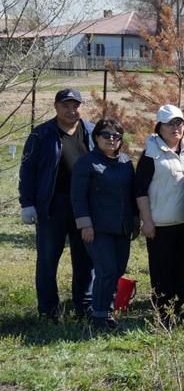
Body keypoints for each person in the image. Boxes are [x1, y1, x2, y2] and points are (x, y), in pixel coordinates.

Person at [19, 88, 94, 320]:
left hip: (83, 206)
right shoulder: (41, 134)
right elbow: (27, 170)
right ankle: (48, 309)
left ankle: (84, 304)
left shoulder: (91, 131)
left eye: (76, 105)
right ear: (56, 107)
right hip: (52, 205)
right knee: (48, 259)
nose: (72, 110)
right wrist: (27, 203)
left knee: (85, 258)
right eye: (66, 105)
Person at [135, 104, 184, 318]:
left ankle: (177, 310)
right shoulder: (150, 154)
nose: (176, 128)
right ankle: (162, 314)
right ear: (159, 127)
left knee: (183, 270)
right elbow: (140, 191)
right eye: (170, 124)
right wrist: (147, 221)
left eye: (179, 123)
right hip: (161, 224)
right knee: (162, 272)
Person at [70, 118, 135, 333]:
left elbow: (132, 194)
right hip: (96, 229)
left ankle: (107, 311)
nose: (111, 139)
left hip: (122, 228)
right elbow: (78, 197)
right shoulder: (86, 162)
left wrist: (135, 220)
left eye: (116, 136)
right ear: (96, 137)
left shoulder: (126, 162)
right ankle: (98, 316)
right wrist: (85, 224)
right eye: (106, 135)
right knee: (106, 269)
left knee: (117, 270)